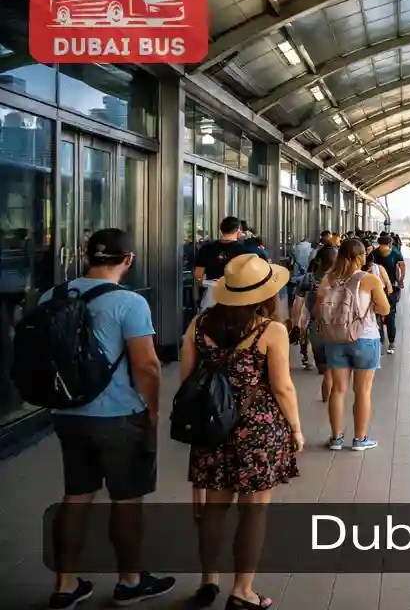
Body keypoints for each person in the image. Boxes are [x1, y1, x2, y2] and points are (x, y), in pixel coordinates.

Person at [45, 229, 175, 608]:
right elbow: (147, 365)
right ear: (128, 260)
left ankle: (65, 585)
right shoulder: (128, 303)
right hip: (118, 415)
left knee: (75, 495)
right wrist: (152, 408)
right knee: (126, 500)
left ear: (87, 256)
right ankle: (130, 581)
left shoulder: (53, 295)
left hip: (67, 413)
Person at [182, 254, 301, 610]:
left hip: (211, 429)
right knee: (254, 511)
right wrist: (295, 429)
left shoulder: (198, 325)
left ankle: (208, 580)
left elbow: (187, 380)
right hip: (258, 431)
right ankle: (243, 591)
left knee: (214, 509)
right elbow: (282, 388)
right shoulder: (270, 330)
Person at [317, 239, 389, 451]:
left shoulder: (329, 278)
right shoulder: (370, 279)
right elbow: (384, 310)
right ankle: (359, 440)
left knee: (338, 390)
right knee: (363, 391)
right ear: (361, 257)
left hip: (336, 338)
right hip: (365, 337)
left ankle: (336, 439)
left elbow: (321, 304)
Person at [301, 245, 338, 399]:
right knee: (330, 368)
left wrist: (300, 322)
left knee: (324, 369)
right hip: (337, 328)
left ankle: (327, 394)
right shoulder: (343, 279)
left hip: (315, 326)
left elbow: (298, 304)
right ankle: (331, 392)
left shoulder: (309, 277)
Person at [193, 217, 245, 312]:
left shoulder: (206, 248)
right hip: (235, 296)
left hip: (211, 295)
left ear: (221, 230)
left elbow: (198, 275)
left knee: (207, 324)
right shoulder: (243, 250)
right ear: (238, 230)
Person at [373, 235, 403, 354]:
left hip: (378, 289)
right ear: (390, 243)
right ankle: (390, 343)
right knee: (389, 315)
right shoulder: (394, 253)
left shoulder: (373, 254)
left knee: (378, 316)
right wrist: (401, 280)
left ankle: (381, 342)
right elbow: (402, 266)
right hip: (389, 290)